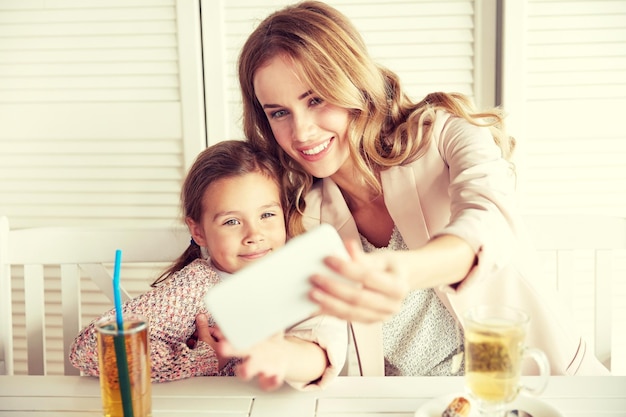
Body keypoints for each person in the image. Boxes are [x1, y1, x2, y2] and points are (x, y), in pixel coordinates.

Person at [238, 1, 609, 376]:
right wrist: (275, 353)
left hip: (539, 385)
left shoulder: (445, 133)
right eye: (279, 112)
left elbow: (489, 221)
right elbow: (320, 332)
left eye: (315, 99)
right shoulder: (306, 213)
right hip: (415, 404)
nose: (301, 132)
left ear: (353, 84)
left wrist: (403, 270)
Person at [69, 140, 347, 390]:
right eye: (232, 222)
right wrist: (202, 359)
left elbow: (325, 349)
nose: (254, 235)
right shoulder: (196, 289)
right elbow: (90, 350)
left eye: (267, 214)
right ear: (198, 230)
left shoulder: (301, 275)